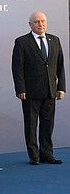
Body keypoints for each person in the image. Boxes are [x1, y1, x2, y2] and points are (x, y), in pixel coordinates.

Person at [12, 11, 65, 165]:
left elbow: (60, 66)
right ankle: (34, 156)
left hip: (50, 91)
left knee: (48, 125)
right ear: (30, 25)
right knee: (31, 125)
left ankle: (47, 154)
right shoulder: (22, 42)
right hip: (30, 92)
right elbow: (17, 68)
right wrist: (20, 89)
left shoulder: (55, 40)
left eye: (43, 21)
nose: (40, 24)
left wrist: (61, 87)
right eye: (36, 22)